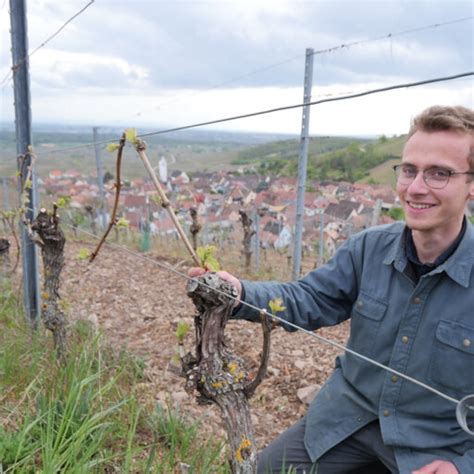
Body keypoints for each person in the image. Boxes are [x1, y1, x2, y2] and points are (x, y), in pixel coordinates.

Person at [189, 105, 474, 474]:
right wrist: (238, 292)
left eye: (439, 174)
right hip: (344, 423)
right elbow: (308, 299)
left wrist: (463, 466)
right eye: (409, 170)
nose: (416, 187)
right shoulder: (367, 249)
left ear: (471, 184)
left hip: (432, 449)